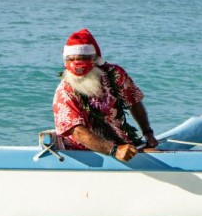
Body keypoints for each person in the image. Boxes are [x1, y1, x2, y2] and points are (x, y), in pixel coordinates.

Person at [52, 28, 157, 162]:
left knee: (154, 153)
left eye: (82, 58)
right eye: (71, 59)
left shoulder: (114, 74)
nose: (76, 64)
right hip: (83, 153)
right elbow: (77, 131)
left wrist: (147, 132)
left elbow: (134, 101)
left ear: (94, 59)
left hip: (121, 141)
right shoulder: (65, 91)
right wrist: (114, 150)